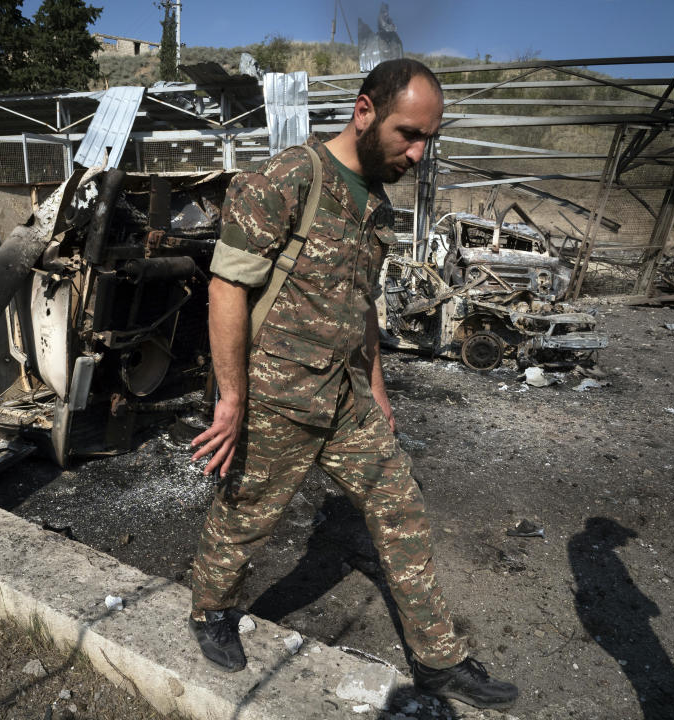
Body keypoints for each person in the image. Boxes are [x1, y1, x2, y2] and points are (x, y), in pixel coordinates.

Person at [187, 58, 520, 710]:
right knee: (245, 518)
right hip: (277, 396)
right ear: (364, 111)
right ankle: (209, 609)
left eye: (429, 139)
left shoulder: (379, 209)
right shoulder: (285, 179)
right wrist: (231, 398)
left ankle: (437, 658)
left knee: (402, 507)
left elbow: (362, 306)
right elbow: (226, 286)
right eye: (408, 134)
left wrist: (379, 392)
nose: (419, 154)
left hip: (345, 398)